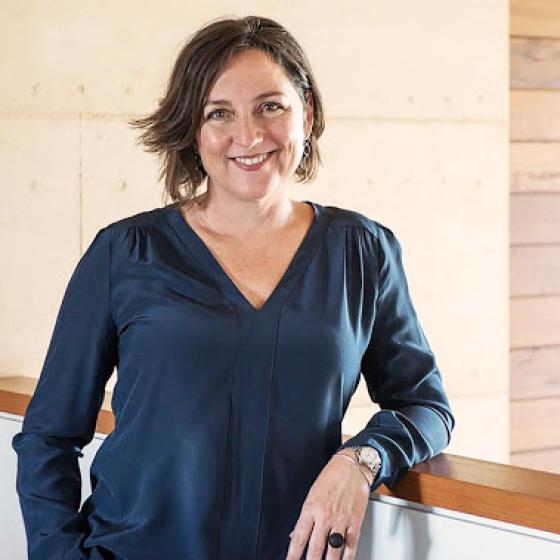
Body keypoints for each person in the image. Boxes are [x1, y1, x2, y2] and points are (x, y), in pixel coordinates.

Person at [12, 15, 455, 560]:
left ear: (307, 113)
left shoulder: (362, 252)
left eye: (271, 106)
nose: (248, 136)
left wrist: (359, 461)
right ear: (192, 130)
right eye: (219, 113)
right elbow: (48, 438)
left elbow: (425, 407)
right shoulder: (124, 253)